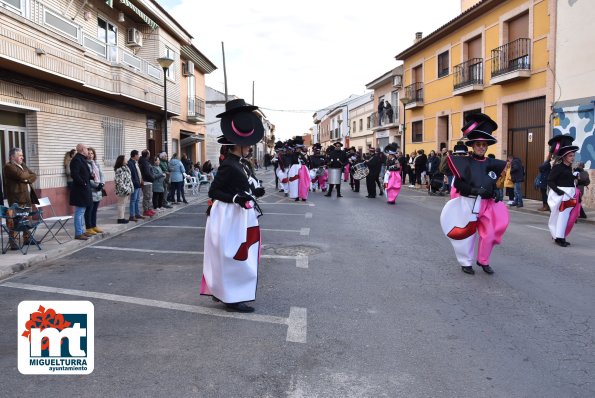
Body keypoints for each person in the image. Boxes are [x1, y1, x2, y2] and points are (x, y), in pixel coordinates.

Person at [200, 98, 265, 313]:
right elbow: (214, 192)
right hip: (228, 216)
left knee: (240, 254)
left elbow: (241, 186)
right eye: (247, 145)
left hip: (239, 215)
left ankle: (230, 293)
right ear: (237, 144)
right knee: (233, 256)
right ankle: (232, 298)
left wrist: (253, 192)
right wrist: (236, 199)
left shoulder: (240, 163)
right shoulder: (228, 165)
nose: (249, 148)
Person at [440, 113, 508, 275]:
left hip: (487, 204)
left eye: (484, 145)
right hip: (468, 203)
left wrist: (496, 192)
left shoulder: (492, 164)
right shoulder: (465, 163)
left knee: (489, 233)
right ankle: (466, 262)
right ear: (473, 145)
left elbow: (493, 183)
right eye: (478, 144)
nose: (481, 147)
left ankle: (483, 260)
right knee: (467, 234)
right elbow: (458, 184)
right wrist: (473, 190)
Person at [547, 134, 581, 247]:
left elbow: (568, 180)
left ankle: (561, 236)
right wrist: (558, 191)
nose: (573, 157)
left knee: (565, 217)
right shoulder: (558, 167)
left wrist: (574, 176)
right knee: (560, 217)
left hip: (569, 195)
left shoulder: (568, 168)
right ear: (565, 156)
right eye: (571, 156)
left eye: (573, 155)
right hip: (561, 196)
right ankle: (559, 238)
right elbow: (550, 181)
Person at [3, 147, 39, 249]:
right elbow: (21, 176)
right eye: (19, 155)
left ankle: (27, 238)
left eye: (22, 155)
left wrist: (26, 179)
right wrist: (26, 178)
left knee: (27, 219)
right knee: (14, 219)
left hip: (26, 197)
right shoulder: (8, 167)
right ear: (12, 157)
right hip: (16, 198)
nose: (22, 157)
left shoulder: (23, 165)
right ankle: (13, 241)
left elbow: (34, 175)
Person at [69, 144, 93, 240]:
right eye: (87, 149)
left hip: (83, 189)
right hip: (80, 190)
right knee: (79, 212)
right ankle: (78, 233)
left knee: (82, 211)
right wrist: (83, 183)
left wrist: (90, 177)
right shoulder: (77, 159)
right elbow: (75, 174)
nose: (88, 150)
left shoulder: (81, 159)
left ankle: (82, 231)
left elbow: (83, 173)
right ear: (82, 150)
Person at [84, 147, 105, 235]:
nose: (90, 155)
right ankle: (88, 227)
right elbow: (88, 178)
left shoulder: (96, 163)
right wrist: (97, 185)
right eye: (88, 153)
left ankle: (94, 226)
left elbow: (101, 174)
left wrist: (102, 184)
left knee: (95, 210)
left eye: (92, 153)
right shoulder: (85, 164)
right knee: (89, 210)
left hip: (98, 190)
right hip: (91, 190)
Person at [114, 155, 133, 224]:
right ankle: (120, 218)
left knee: (124, 204)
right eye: (125, 159)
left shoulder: (126, 168)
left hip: (127, 189)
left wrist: (129, 188)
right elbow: (119, 181)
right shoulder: (119, 170)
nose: (127, 160)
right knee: (121, 204)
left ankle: (122, 217)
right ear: (122, 161)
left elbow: (128, 179)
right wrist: (125, 189)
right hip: (122, 190)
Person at [127, 150, 144, 221]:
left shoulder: (135, 163)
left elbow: (138, 173)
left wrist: (141, 180)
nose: (139, 156)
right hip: (135, 184)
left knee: (137, 200)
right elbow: (131, 175)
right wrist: (135, 182)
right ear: (134, 155)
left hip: (138, 184)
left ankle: (137, 214)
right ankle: (132, 215)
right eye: (138, 155)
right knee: (133, 200)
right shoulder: (130, 163)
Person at [139, 149, 156, 217]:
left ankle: (149, 209)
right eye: (149, 153)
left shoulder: (145, 161)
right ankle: (146, 210)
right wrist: (152, 178)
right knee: (147, 196)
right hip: (147, 181)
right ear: (147, 154)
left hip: (148, 181)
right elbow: (147, 172)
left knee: (149, 196)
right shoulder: (144, 162)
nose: (149, 155)